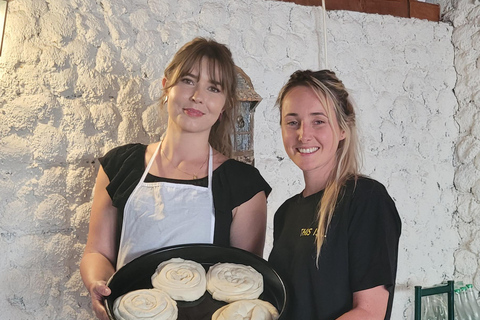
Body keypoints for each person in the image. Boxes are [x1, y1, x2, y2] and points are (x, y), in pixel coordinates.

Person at [80, 37, 271, 320]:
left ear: (224, 104)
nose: (197, 96)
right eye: (188, 81)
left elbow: (241, 285)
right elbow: (97, 251)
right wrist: (99, 286)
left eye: (213, 88)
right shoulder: (121, 165)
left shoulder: (244, 185)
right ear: (166, 85)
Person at [268, 70, 401, 320]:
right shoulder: (285, 214)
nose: (303, 134)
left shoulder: (366, 200)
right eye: (292, 121)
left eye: (318, 121)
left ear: (342, 128)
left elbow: (369, 312)